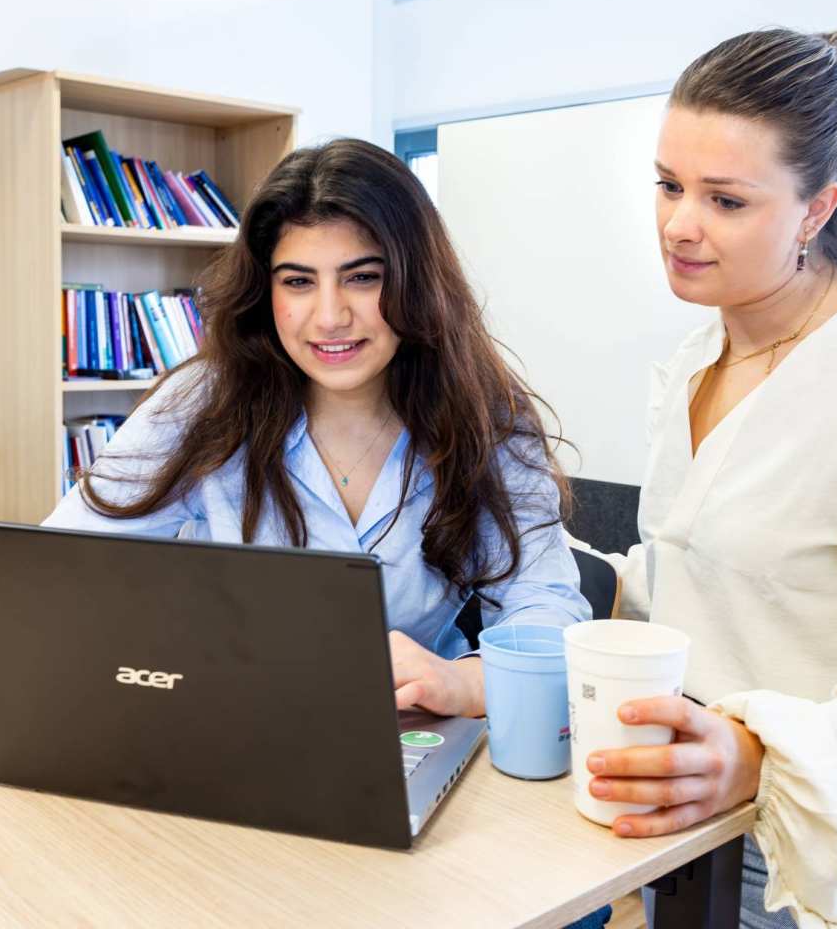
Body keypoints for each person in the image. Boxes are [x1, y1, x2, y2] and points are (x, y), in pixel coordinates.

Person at [576, 27, 837, 927]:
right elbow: (697, 587)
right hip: (688, 844)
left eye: (726, 200)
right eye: (667, 184)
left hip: (829, 865)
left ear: (818, 209)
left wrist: (763, 753)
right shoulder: (697, 362)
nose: (678, 224)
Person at [45, 138, 590, 718]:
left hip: (418, 733)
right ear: (265, 291)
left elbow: (547, 608)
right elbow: (58, 569)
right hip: (236, 723)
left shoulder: (488, 415)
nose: (330, 317)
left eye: (362, 278)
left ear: (416, 282)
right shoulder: (202, 403)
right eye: (298, 282)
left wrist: (465, 683)